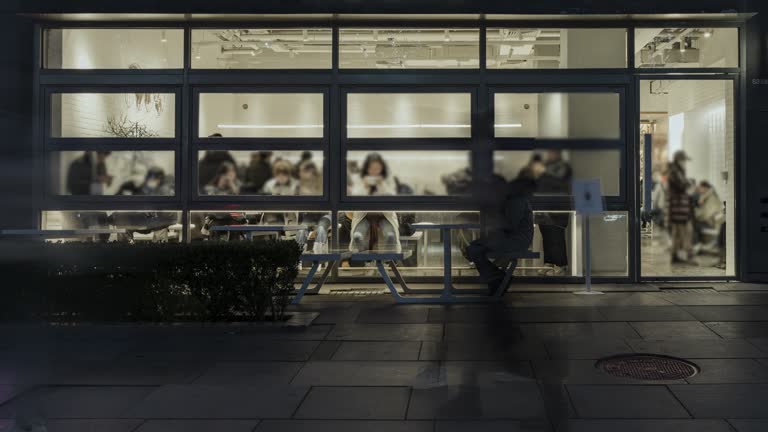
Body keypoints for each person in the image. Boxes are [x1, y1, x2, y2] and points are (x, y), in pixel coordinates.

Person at [466, 155, 545, 295]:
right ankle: (497, 279)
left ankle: (497, 279)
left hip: (515, 240)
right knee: (474, 248)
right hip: (512, 238)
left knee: (474, 249)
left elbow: (510, 225)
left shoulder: (515, 199)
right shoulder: (512, 198)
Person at [349, 153, 400, 252]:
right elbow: (354, 197)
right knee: (357, 236)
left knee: (390, 236)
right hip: (364, 215)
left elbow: (391, 196)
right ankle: (364, 255)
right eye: (371, 168)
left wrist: (381, 185)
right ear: (367, 169)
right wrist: (364, 186)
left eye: (377, 168)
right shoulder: (359, 180)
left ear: (382, 168)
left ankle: (386, 259)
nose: (374, 171)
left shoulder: (387, 180)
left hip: (383, 215)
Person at [536, 150, 573, 276]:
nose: (549, 154)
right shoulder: (545, 167)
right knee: (546, 237)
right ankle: (549, 263)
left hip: (557, 209)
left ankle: (561, 264)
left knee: (557, 237)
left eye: (552, 152)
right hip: (544, 209)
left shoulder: (563, 168)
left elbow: (558, 185)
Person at [667, 150, 694, 263]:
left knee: (677, 232)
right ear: (679, 160)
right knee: (686, 230)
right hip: (679, 206)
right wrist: (689, 182)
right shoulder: (675, 172)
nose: (685, 163)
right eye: (684, 160)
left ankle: (674, 255)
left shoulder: (675, 171)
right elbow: (681, 186)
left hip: (677, 206)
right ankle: (689, 256)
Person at [693, 180, 725, 254]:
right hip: (711, 220)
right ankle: (698, 245)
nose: (699, 190)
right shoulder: (706, 197)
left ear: (705, 188)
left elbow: (709, 213)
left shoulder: (710, 197)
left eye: (700, 188)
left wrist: (698, 215)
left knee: (694, 225)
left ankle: (698, 246)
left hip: (713, 222)